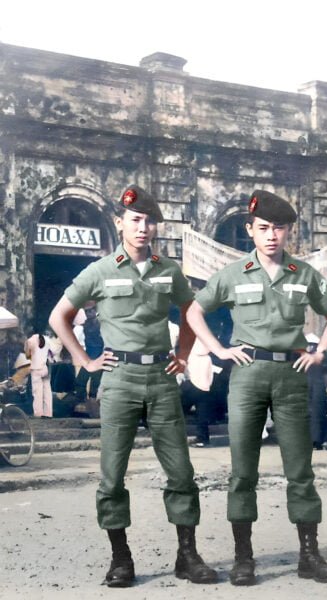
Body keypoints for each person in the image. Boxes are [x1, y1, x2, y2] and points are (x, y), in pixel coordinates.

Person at [49, 184, 217, 588]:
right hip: (120, 379)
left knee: (181, 471)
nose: (143, 228)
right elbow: (59, 317)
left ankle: (187, 555)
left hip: (161, 378)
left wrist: (183, 353)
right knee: (112, 475)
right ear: (120, 223)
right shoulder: (100, 270)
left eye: (150, 221)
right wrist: (85, 360)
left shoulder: (168, 270)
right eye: (136, 220)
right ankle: (121, 558)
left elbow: (190, 310)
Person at [187, 189, 327, 585]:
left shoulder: (304, 273)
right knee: (243, 471)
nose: (271, 235)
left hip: (291, 374)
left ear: (289, 231)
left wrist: (320, 352)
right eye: (263, 228)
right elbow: (194, 311)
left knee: (300, 469)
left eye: (278, 228)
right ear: (250, 230)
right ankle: (244, 558)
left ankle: (309, 556)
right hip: (247, 375)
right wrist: (219, 350)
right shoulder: (233, 273)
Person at [74, 305, 104, 417]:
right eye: (86, 311)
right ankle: (86, 408)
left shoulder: (100, 324)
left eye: (90, 311)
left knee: (93, 386)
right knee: (81, 381)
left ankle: (93, 411)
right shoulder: (86, 324)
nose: (88, 313)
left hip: (97, 357)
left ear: (95, 311)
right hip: (89, 356)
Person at [24, 332, 53, 417]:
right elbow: (51, 354)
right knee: (47, 392)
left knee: (37, 393)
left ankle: (38, 413)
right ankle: (48, 413)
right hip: (45, 369)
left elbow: (27, 356)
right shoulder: (48, 340)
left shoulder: (30, 341)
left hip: (35, 369)